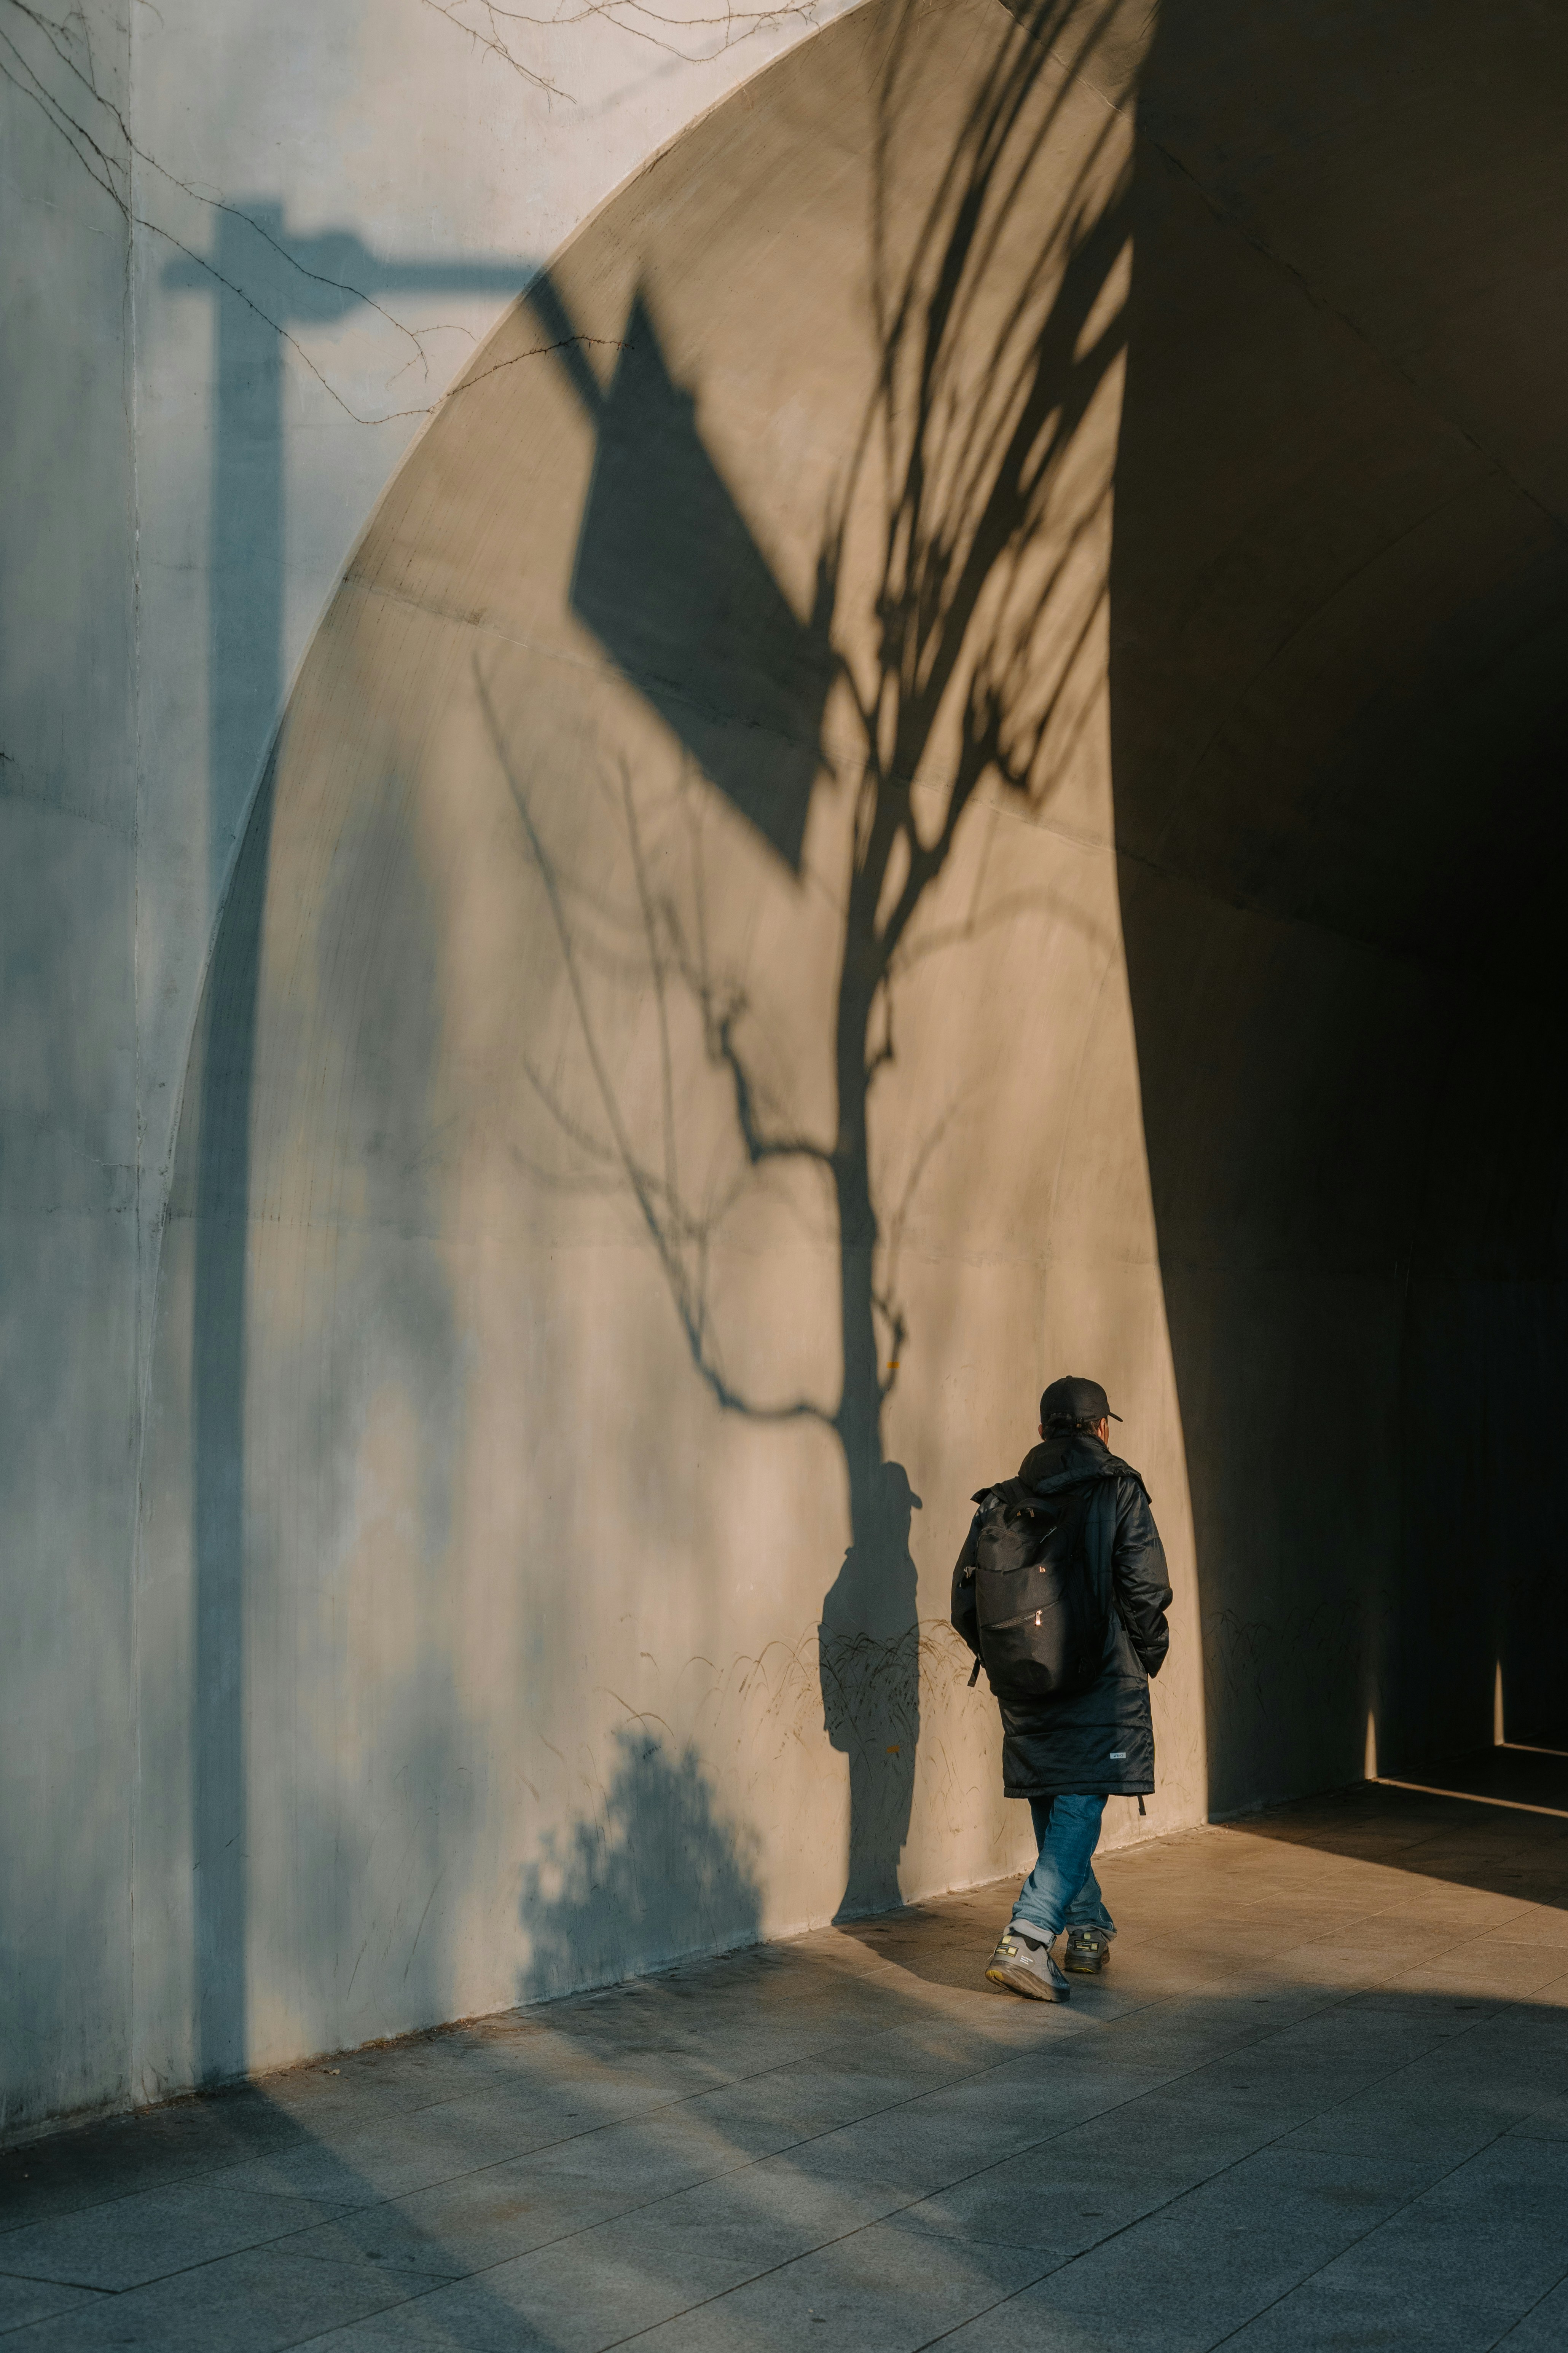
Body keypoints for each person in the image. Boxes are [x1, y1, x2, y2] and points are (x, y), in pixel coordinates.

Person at [962, 1374, 1172, 2002]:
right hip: (1101, 1676)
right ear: (1102, 1427)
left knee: (1056, 1798)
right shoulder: (1119, 1488)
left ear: (1042, 1430)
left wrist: (1010, 1657)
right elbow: (1145, 1586)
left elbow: (965, 1599)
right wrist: (1150, 1653)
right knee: (1080, 1803)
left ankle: (1085, 1926)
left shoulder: (1001, 1499)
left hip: (1024, 1679)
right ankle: (1028, 1936)